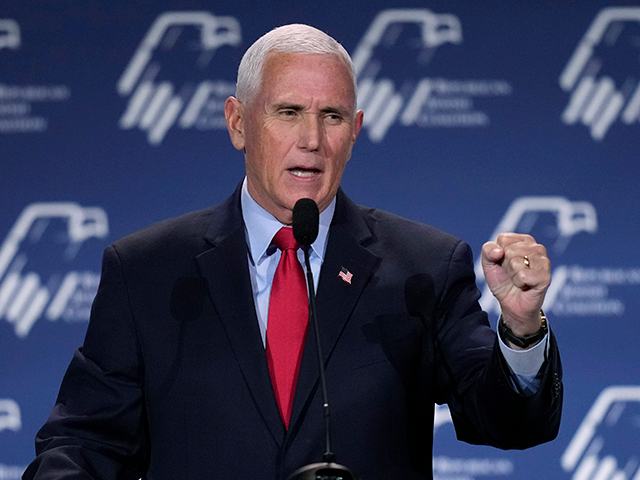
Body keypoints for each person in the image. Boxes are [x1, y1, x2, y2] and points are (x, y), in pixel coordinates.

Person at [23, 24, 562, 480]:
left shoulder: (425, 267)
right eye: (287, 111)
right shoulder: (146, 271)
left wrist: (520, 331)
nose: (311, 138)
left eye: (332, 116)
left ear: (354, 132)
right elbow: (84, 445)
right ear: (238, 123)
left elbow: (509, 424)